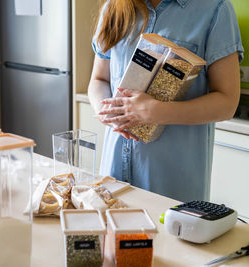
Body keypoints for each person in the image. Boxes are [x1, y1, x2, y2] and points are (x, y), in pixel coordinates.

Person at [88, 0, 243, 201]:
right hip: (113, 178)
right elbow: (99, 79)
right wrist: (106, 111)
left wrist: (157, 111)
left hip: (173, 184)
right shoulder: (114, 7)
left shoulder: (216, 10)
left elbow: (227, 103)